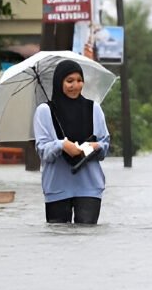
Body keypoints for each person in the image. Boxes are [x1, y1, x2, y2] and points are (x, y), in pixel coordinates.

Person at [33, 59, 111, 224]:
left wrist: (95, 146)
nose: (76, 85)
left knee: (87, 241)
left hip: (90, 187)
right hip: (57, 187)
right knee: (59, 242)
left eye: (79, 80)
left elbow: (105, 145)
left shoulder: (94, 108)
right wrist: (61, 145)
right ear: (59, 82)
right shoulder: (44, 112)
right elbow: (42, 150)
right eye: (69, 81)